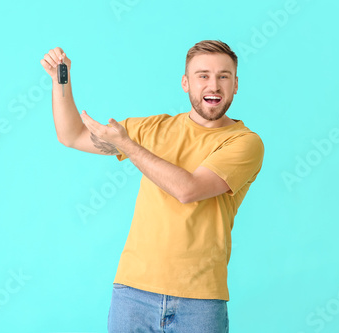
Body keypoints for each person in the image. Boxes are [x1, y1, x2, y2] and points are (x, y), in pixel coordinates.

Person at [41, 40, 264, 333]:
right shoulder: (153, 129)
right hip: (133, 293)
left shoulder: (245, 143)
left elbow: (189, 190)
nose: (214, 85)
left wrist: (128, 146)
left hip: (200, 301)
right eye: (203, 75)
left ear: (236, 84)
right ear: (186, 83)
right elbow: (71, 135)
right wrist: (61, 81)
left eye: (224, 76)